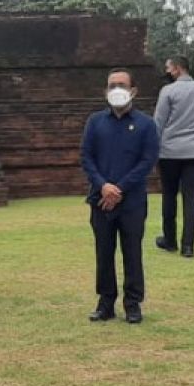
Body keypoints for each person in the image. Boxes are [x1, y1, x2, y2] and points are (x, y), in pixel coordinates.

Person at [81, 68, 159, 324]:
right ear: (105, 90)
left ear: (133, 90)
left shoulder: (146, 124)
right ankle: (105, 302)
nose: (117, 89)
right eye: (112, 85)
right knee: (104, 253)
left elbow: (147, 161)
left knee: (132, 252)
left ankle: (133, 304)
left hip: (132, 202)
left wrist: (120, 189)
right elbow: (87, 157)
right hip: (101, 200)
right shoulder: (95, 122)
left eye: (122, 85)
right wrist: (103, 186)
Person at [154, 55, 194, 258]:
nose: (167, 72)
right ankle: (188, 246)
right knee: (191, 197)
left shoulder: (168, 91)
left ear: (178, 69)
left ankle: (170, 240)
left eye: (168, 68)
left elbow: (158, 123)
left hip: (169, 151)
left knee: (169, 195)